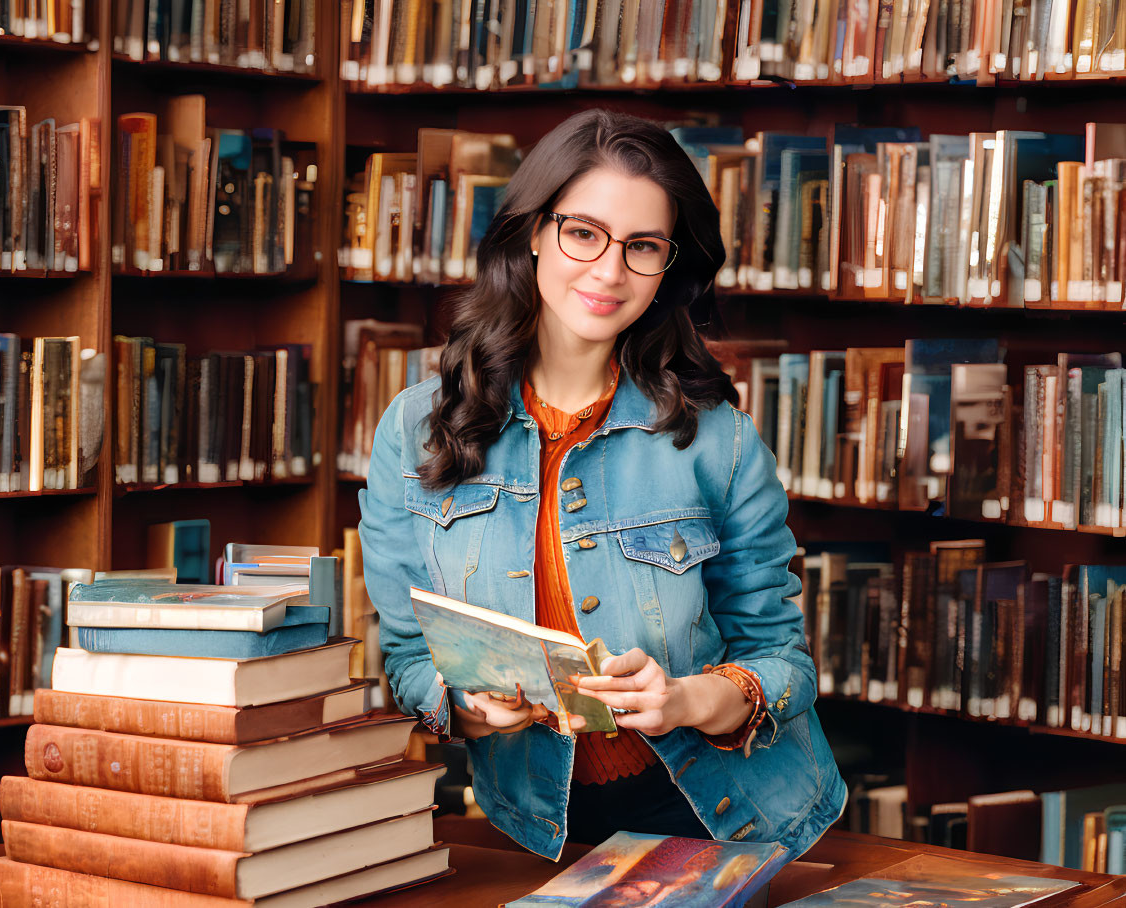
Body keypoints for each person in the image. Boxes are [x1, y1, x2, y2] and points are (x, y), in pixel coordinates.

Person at [358, 108, 847, 862]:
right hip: (537, 824)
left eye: (642, 247)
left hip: (731, 820)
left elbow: (781, 663)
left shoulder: (717, 441)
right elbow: (407, 659)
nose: (609, 271)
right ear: (532, 230)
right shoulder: (412, 430)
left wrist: (685, 699)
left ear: (668, 266)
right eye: (583, 233)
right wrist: (471, 709)